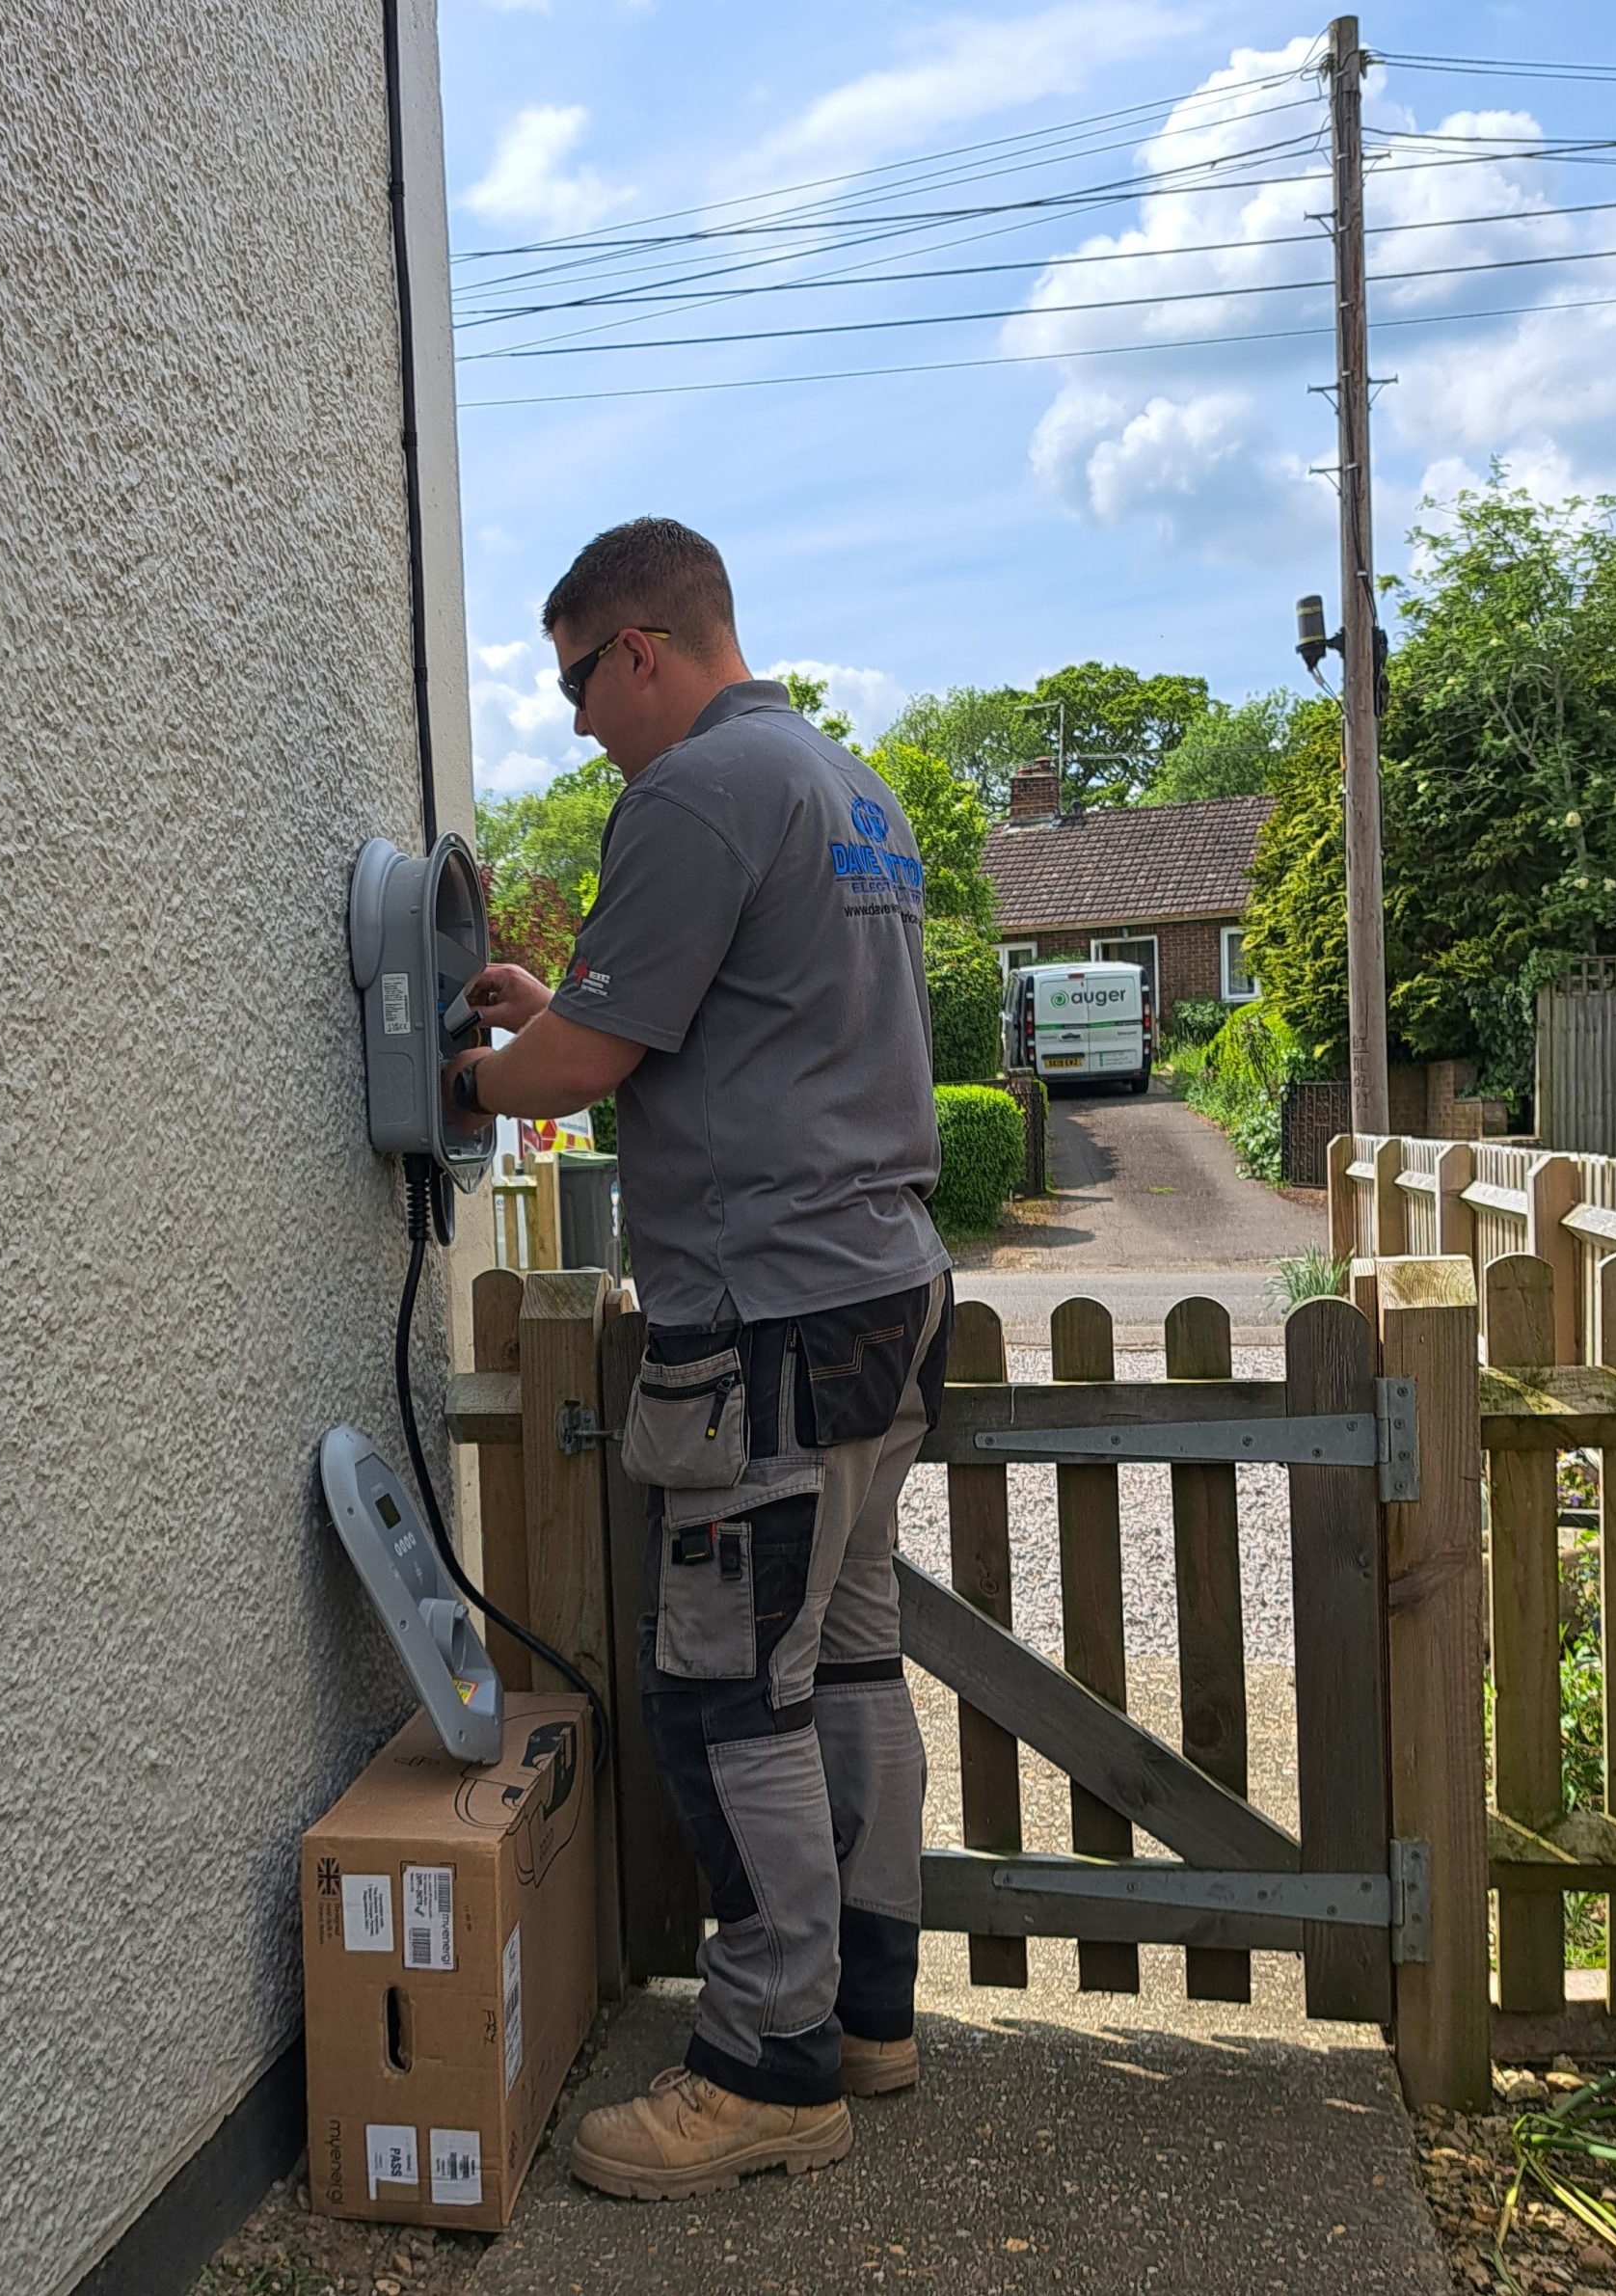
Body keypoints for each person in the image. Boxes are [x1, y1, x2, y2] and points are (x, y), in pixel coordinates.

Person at [444, 518, 952, 2202]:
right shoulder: (847, 785)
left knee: (729, 1690)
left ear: (643, 649)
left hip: (768, 1314)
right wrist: (565, 1012)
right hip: (888, 1291)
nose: (579, 720)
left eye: (580, 681)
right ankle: (866, 2011)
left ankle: (765, 2064)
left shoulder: (690, 796)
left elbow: (584, 1063)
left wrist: (452, 1070)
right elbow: (710, 1016)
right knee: (850, 1665)